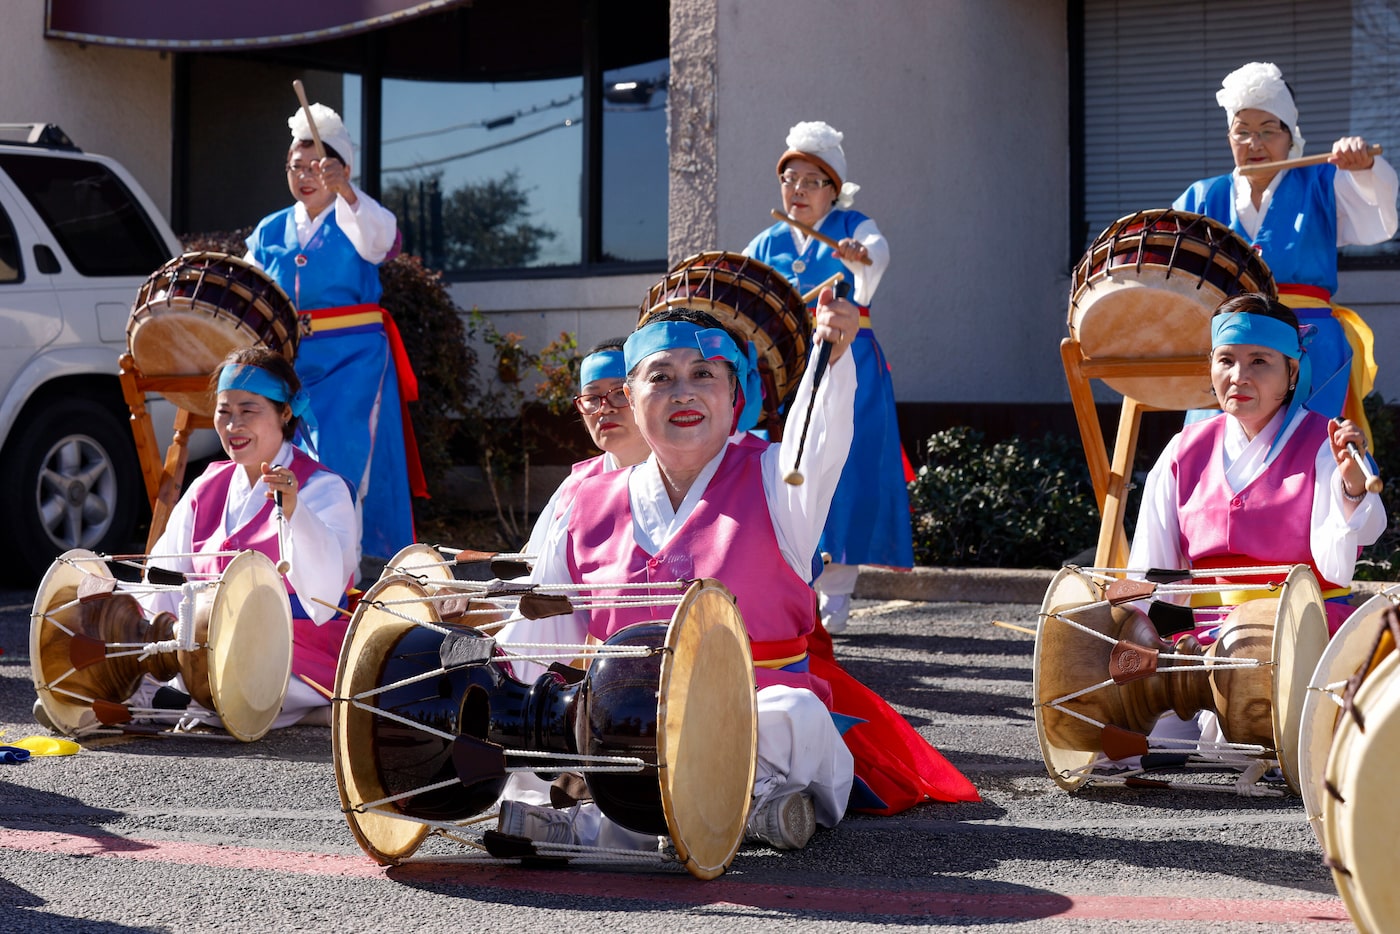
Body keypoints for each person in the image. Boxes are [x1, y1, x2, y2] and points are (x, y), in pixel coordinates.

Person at [494, 301, 977, 854]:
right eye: (662, 377)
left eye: (704, 375)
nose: (684, 392)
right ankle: (735, 813)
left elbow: (819, 439)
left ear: (733, 395)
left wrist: (834, 356)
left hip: (751, 713)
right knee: (550, 712)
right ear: (631, 396)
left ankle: (594, 824)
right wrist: (485, 686)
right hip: (620, 724)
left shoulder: (778, 482)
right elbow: (539, 631)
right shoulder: (585, 502)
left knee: (794, 716)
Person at [1128, 293, 1386, 639]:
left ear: (1291, 371)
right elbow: (1152, 571)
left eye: (1259, 361)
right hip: (1204, 638)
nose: (1239, 376)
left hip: (1302, 629)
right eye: (1226, 360)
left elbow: (1351, 542)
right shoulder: (1183, 449)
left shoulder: (1326, 444)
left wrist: (1351, 487)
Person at [743, 120, 912, 634]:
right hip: (786, 371)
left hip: (848, 361)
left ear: (833, 190)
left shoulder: (854, 226)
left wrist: (862, 260)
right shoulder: (766, 241)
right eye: (789, 178)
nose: (797, 190)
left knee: (846, 471)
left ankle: (835, 594)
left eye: (811, 180)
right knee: (785, 468)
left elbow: (876, 255)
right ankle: (790, 585)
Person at [1173, 62, 1398, 442]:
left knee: (1312, 450)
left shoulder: (1324, 182)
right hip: (1231, 345)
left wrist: (1363, 169)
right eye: (1242, 132)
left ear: (1290, 136)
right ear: (1229, 137)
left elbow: (1381, 220)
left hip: (1308, 341)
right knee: (1215, 452)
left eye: (1267, 130)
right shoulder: (1201, 196)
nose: (1254, 144)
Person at [138, 347, 360, 728]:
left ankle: (214, 699)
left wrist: (295, 512)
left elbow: (326, 596)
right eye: (224, 411)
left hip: (295, 647)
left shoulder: (323, 487)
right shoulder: (207, 485)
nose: (232, 425)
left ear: (284, 413)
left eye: (248, 410)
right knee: (116, 638)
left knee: (242, 675)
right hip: (205, 644)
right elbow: (163, 576)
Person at [245, 101, 424, 566]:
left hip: (354, 360)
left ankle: (348, 561)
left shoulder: (356, 214)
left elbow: (381, 240)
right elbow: (250, 288)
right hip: (291, 361)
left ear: (341, 168)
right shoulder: (271, 229)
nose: (306, 176)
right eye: (295, 167)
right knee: (289, 453)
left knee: (347, 453)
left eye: (318, 167)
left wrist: (345, 191)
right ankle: (300, 557)